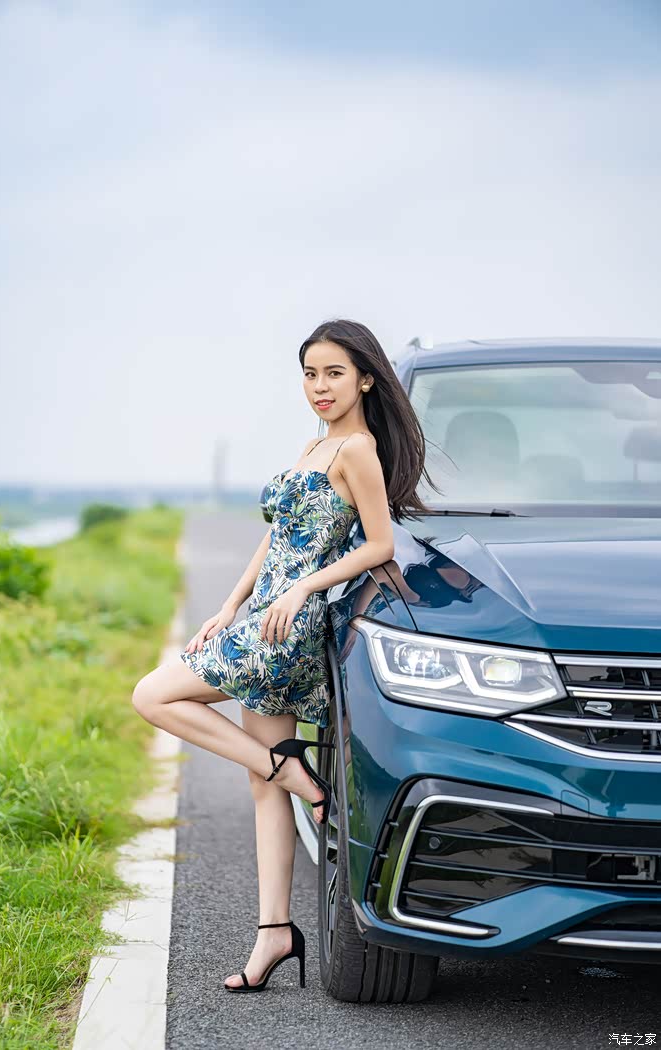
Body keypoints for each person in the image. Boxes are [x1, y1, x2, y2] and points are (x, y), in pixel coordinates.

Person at [131, 318, 438, 993]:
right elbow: (276, 539)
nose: (320, 386)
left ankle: (290, 768)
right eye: (310, 374)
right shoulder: (315, 444)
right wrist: (229, 605)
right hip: (262, 619)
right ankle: (274, 931)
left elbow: (379, 544)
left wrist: (304, 588)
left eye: (334, 373)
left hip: (288, 631)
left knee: (151, 695)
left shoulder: (357, 450)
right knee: (261, 786)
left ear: (365, 379)